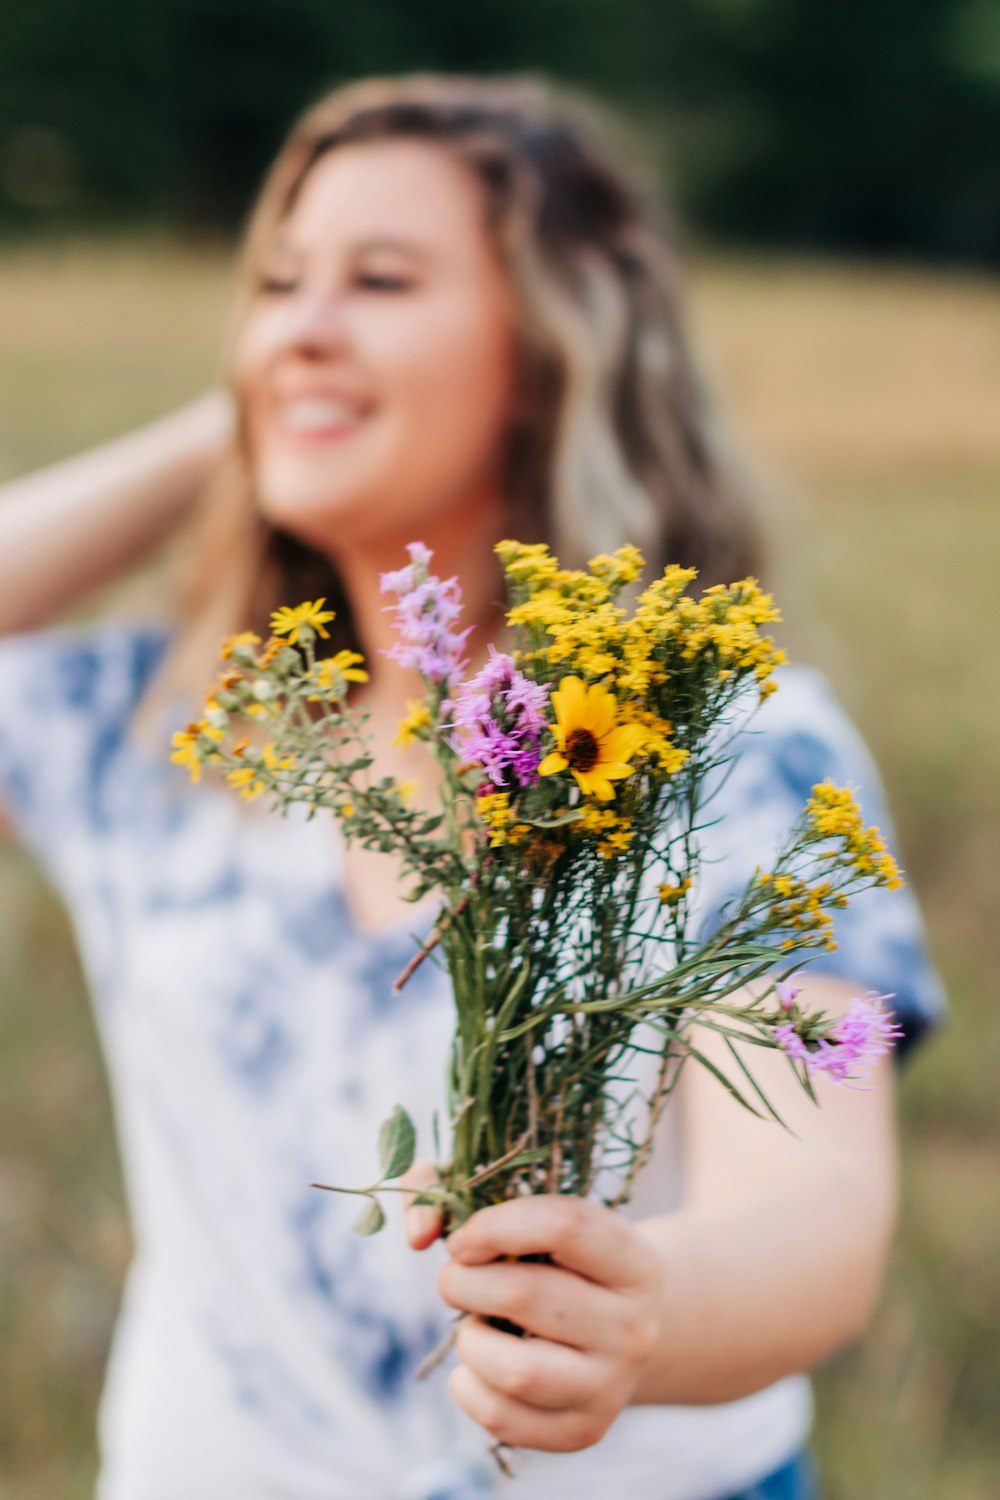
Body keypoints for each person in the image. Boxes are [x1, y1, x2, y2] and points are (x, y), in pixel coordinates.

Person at [0, 74, 945, 1500]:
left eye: (381, 280)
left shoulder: (722, 736)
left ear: (556, 351)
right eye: (275, 284)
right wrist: (254, 416)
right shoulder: (172, 731)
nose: (306, 320)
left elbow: (816, 1206)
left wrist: (642, 1316)